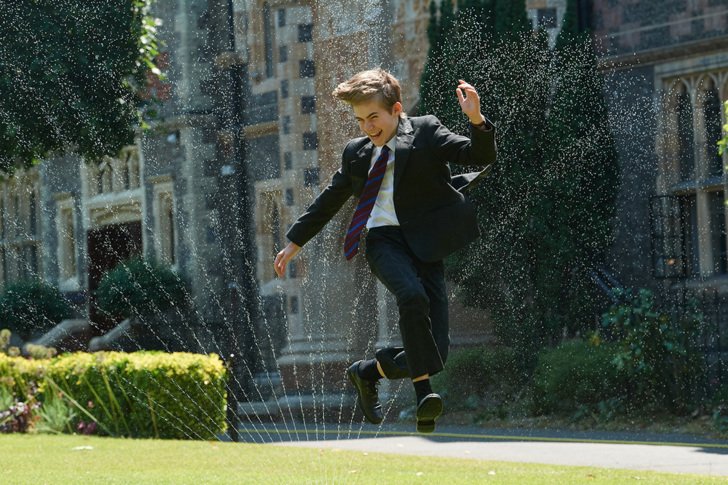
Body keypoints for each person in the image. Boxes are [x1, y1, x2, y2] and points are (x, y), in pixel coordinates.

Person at [274, 68, 496, 433]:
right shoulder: (357, 153)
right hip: (382, 242)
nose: (367, 127)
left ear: (396, 109)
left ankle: (367, 372)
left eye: (373, 117)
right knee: (411, 295)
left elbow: (476, 155)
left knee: (436, 352)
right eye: (360, 120)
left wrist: (476, 119)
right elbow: (330, 200)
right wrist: (294, 243)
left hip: (425, 244)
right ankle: (424, 394)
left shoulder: (425, 130)